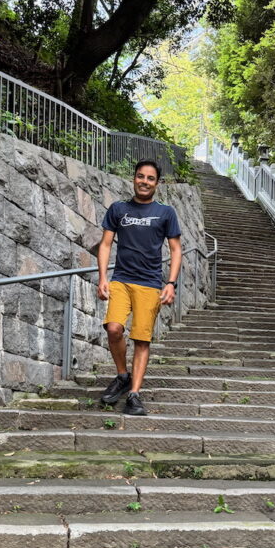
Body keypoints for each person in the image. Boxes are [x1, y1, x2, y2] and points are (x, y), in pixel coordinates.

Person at [96, 159, 182, 416]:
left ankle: (134, 393)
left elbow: (176, 250)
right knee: (113, 328)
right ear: (134, 178)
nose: (144, 182)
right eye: (140, 177)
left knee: (141, 339)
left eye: (150, 178)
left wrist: (171, 283)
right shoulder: (118, 209)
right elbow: (105, 245)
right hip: (121, 279)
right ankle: (122, 375)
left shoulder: (166, 213)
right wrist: (102, 277)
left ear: (157, 183)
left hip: (150, 283)